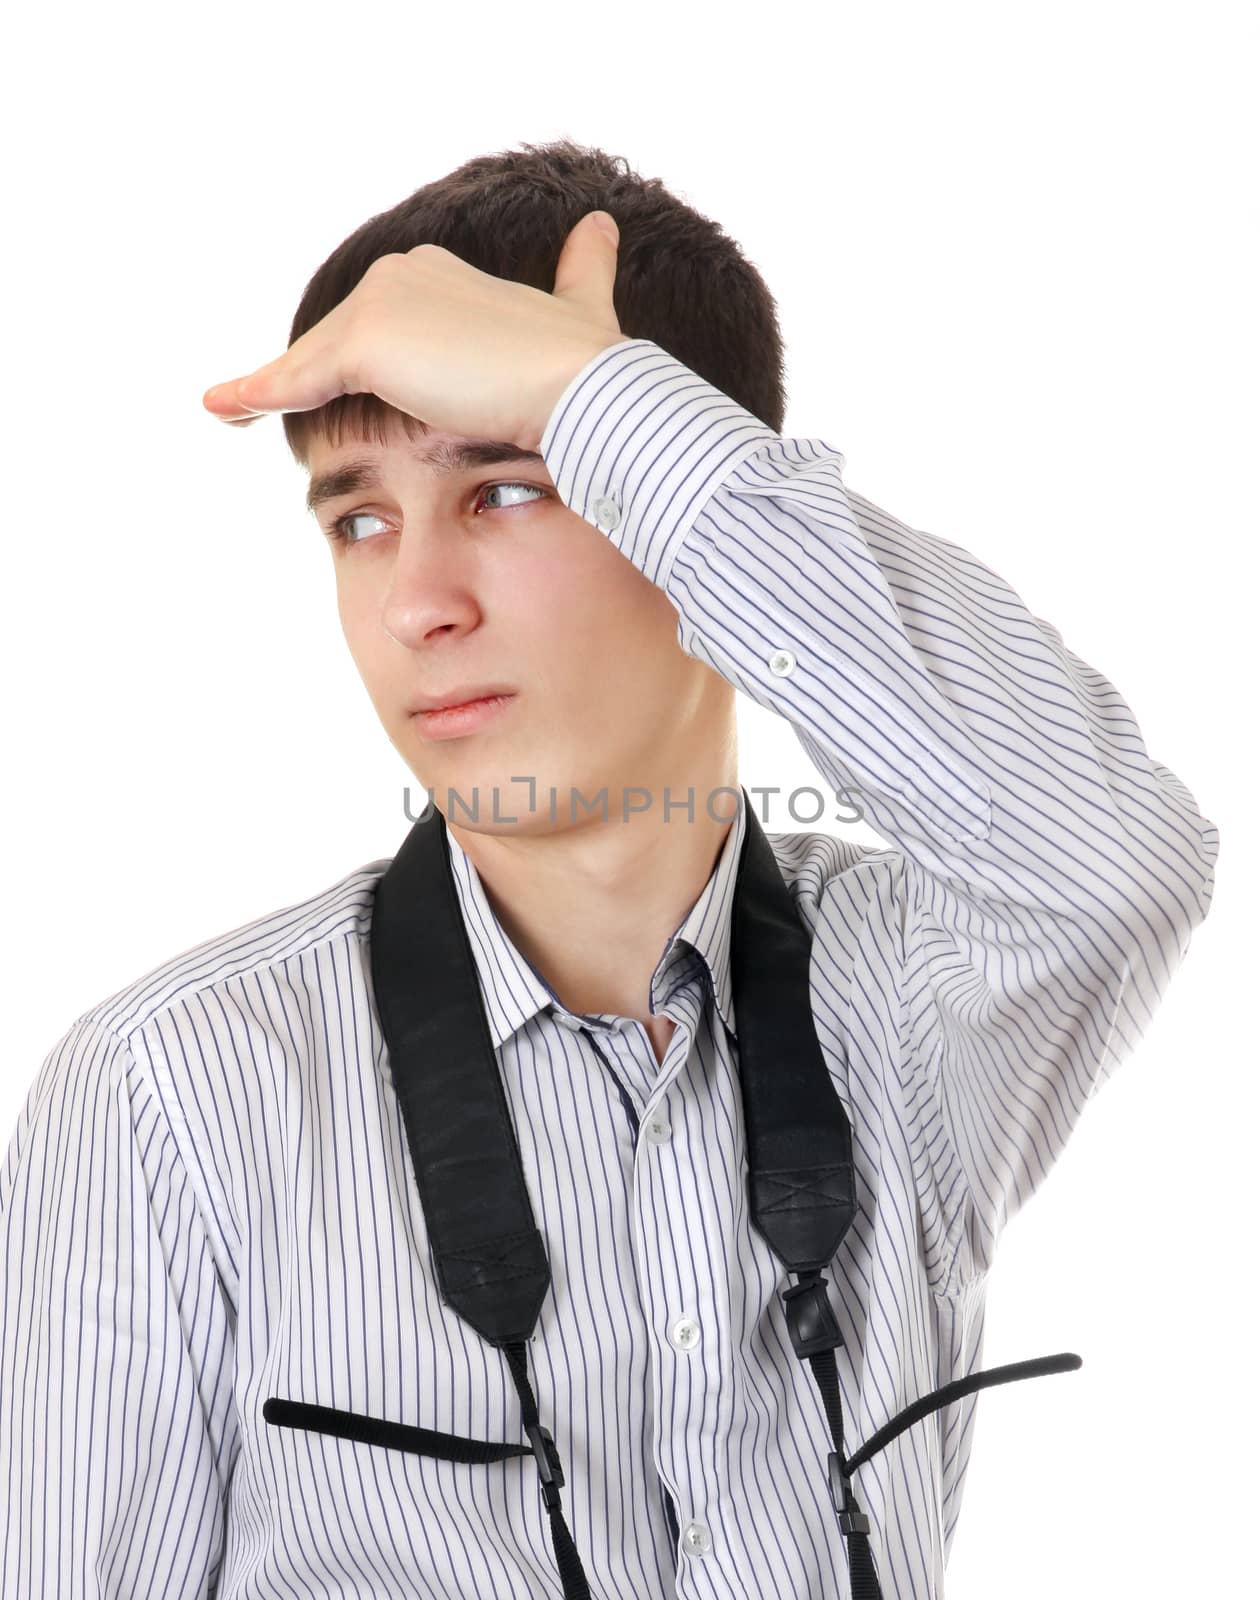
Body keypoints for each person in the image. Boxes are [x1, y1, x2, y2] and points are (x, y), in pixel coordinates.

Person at [0, 138, 1218, 1598]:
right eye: (360, 522)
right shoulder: (169, 1100)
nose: (415, 605)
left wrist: (604, 403)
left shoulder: (910, 1000)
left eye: (508, 487)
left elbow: (1116, 859)